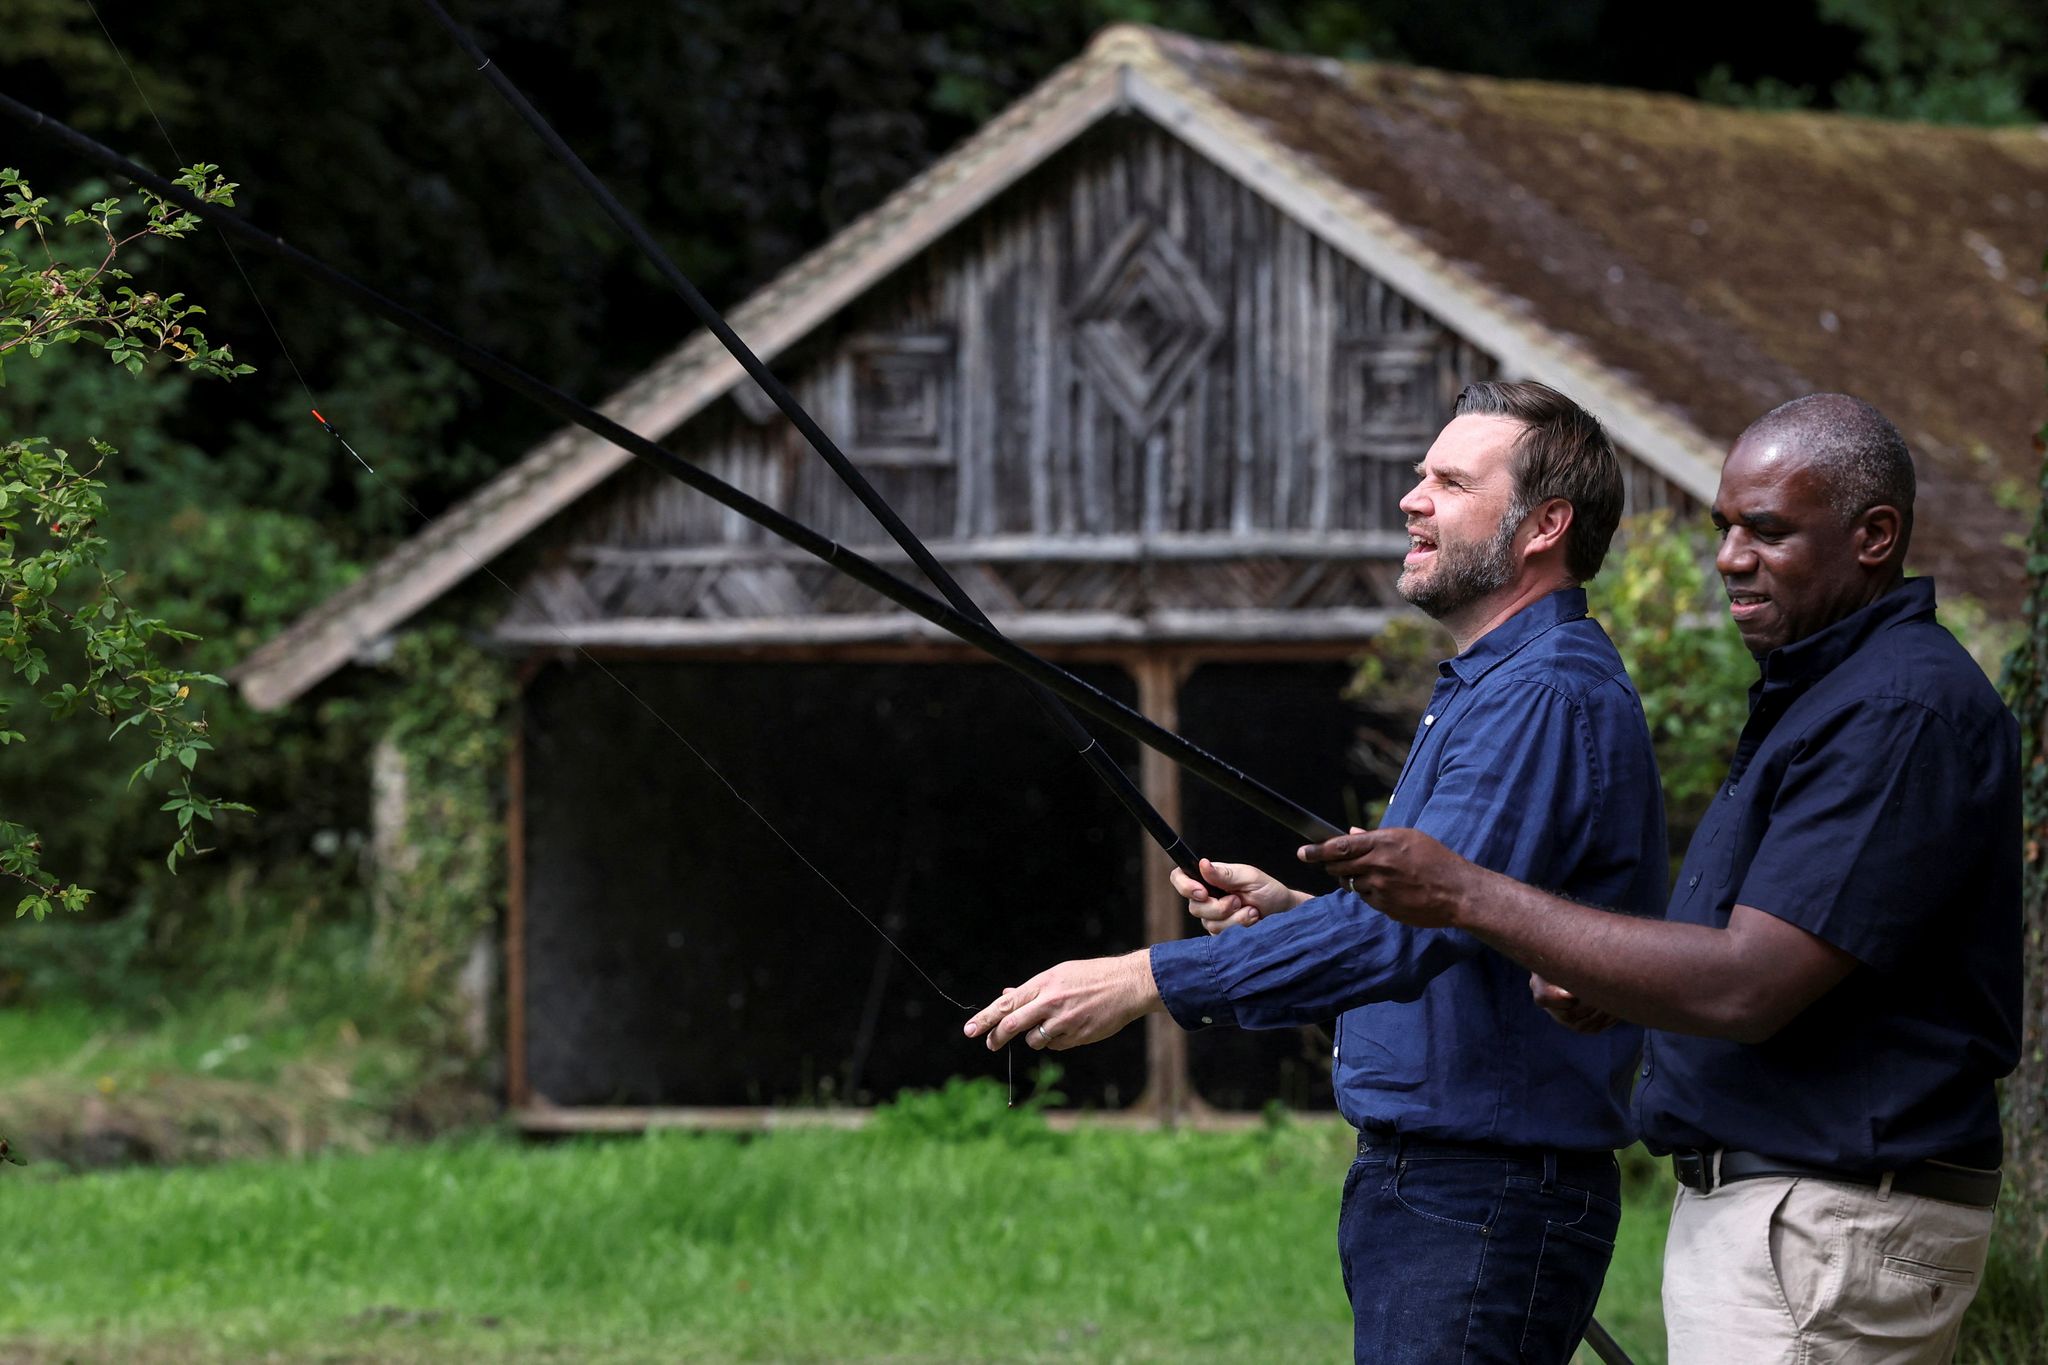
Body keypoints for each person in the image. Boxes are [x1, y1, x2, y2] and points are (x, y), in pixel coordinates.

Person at [965, 380, 1669, 1363]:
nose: (1409, 499)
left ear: (1541, 526)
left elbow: (1407, 934)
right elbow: (1463, 927)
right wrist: (1295, 913)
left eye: (1448, 482)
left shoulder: (1540, 698)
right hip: (1449, 1189)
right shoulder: (1491, 689)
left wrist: (1143, 979)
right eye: (1420, 475)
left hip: (1483, 1190)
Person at [1309, 393, 2020, 1364]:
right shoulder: (1826, 691)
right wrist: (1612, 985)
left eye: (1766, 532)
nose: (1730, 557)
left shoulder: (1896, 708)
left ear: (1873, 536)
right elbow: (1786, 964)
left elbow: (1746, 983)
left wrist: (1464, 892)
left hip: (1820, 1224)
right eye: (1723, 528)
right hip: (1787, 1221)